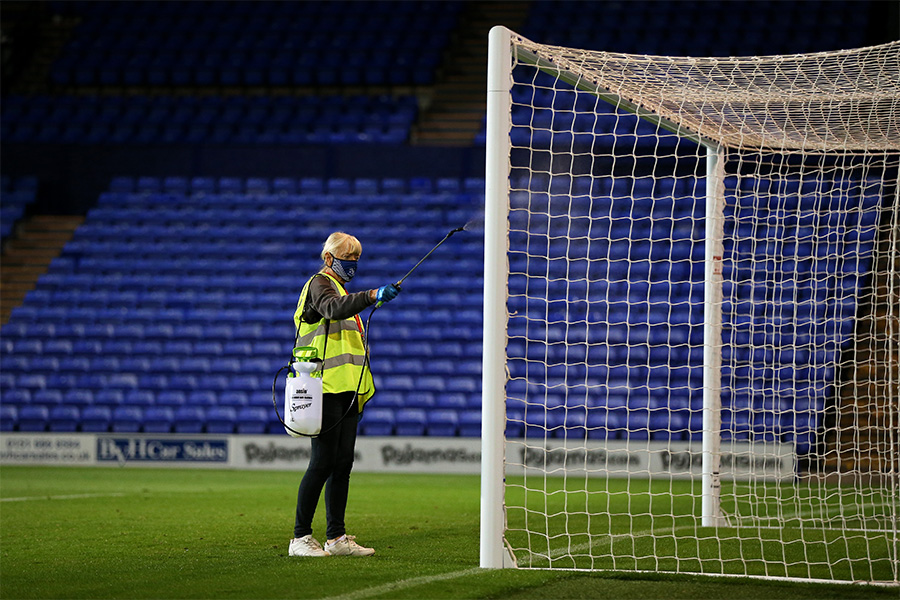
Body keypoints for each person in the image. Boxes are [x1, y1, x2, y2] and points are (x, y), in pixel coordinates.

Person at [287, 231, 400, 558]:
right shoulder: (320, 285)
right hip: (323, 388)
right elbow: (331, 309)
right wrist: (371, 295)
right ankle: (300, 538)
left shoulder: (341, 290)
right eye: (347, 257)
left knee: (342, 464)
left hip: (345, 389)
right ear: (328, 258)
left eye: (356, 258)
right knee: (322, 463)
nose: (352, 263)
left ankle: (336, 538)